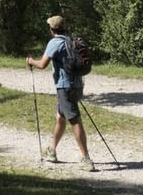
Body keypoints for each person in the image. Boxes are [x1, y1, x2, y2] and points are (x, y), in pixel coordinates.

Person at [26, 15, 95, 171]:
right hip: (77, 85)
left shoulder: (55, 42)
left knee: (75, 120)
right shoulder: (71, 41)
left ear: (52, 29)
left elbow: (42, 64)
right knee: (60, 117)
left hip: (65, 87)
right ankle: (52, 151)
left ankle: (86, 159)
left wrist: (30, 61)